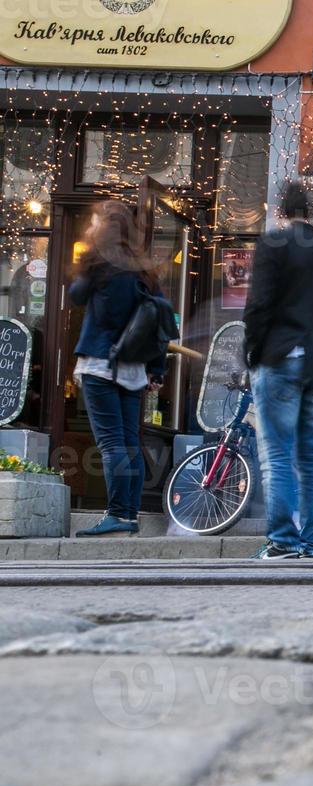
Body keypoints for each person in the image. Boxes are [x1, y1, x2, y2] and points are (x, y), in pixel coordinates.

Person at [242, 181, 313, 559]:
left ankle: (282, 541)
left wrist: (252, 353)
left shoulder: (273, 245)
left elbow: (258, 305)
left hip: (280, 356)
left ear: (280, 211)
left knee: (277, 454)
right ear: (312, 211)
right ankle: (311, 542)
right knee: (309, 456)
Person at [67, 199, 166, 537]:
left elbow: (76, 296)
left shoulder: (99, 263)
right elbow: (160, 323)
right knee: (129, 443)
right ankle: (129, 514)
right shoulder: (144, 269)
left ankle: (117, 513)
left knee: (111, 445)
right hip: (133, 370)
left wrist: (87, 252)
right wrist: (157, 369)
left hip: (100, 365)